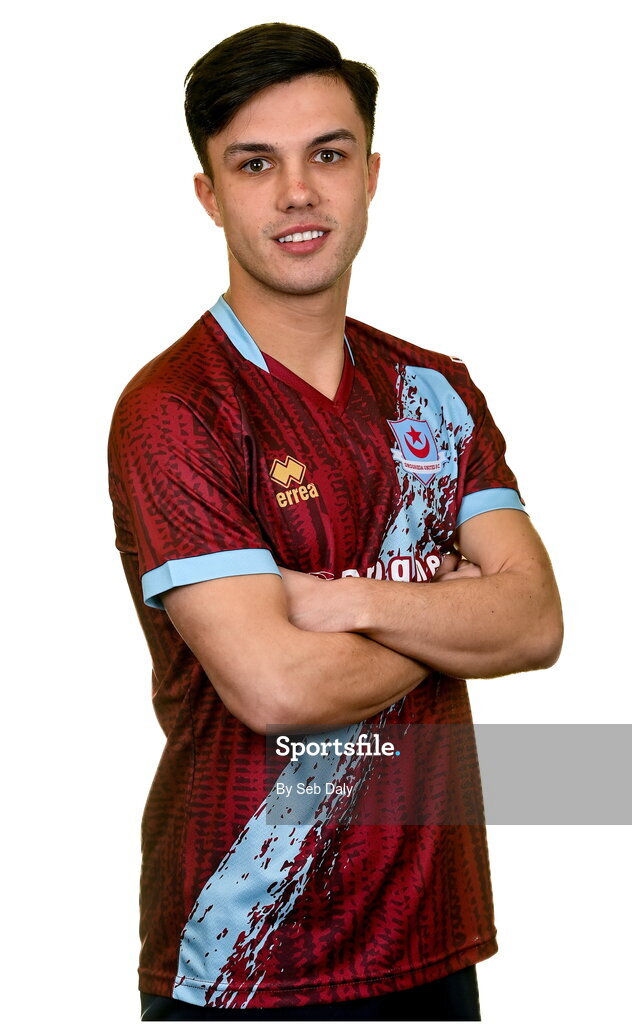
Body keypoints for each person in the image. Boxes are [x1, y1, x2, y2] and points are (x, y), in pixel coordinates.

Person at [108, 22, 563, 1022]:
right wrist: (446, 613)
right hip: (245, 957)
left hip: (430, 933)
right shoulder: (179, 408)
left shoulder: (434, 394)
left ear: (369, 173)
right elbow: (275, 686)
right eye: (254, 163)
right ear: (209, 195)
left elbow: (532, 621)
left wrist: (344, 599)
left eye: (327, 154)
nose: (297, 193)